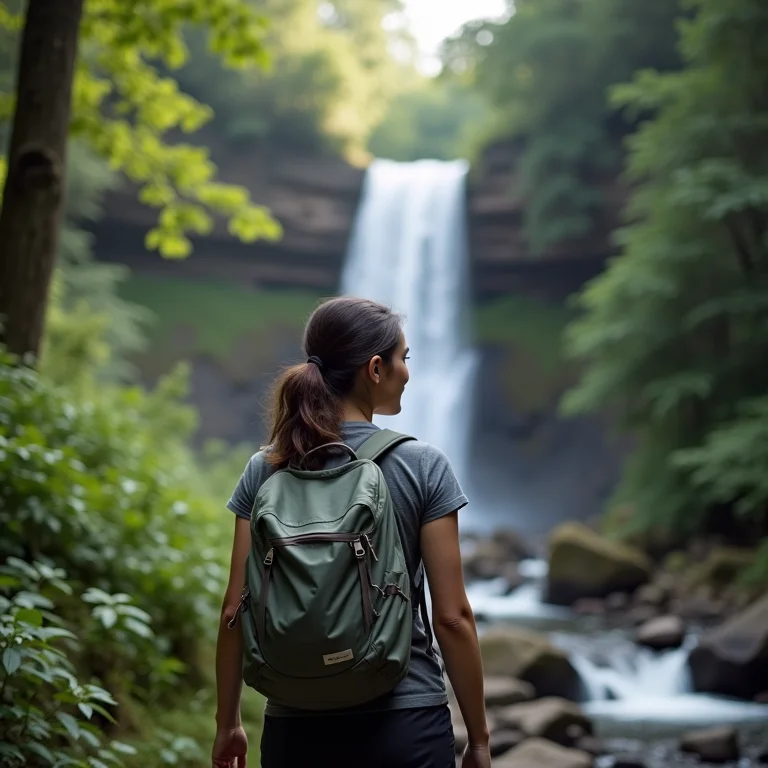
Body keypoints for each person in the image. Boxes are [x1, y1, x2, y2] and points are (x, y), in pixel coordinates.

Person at [211, 296, 490, 768]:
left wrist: (228, 724)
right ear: (375, 368)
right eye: (404, 358)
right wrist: (479, 740)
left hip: (296, 723)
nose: (408, 372)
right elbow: (452, 617)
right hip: (405, 722)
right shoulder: (422, 466)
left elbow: (234, 609)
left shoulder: (267, 468)